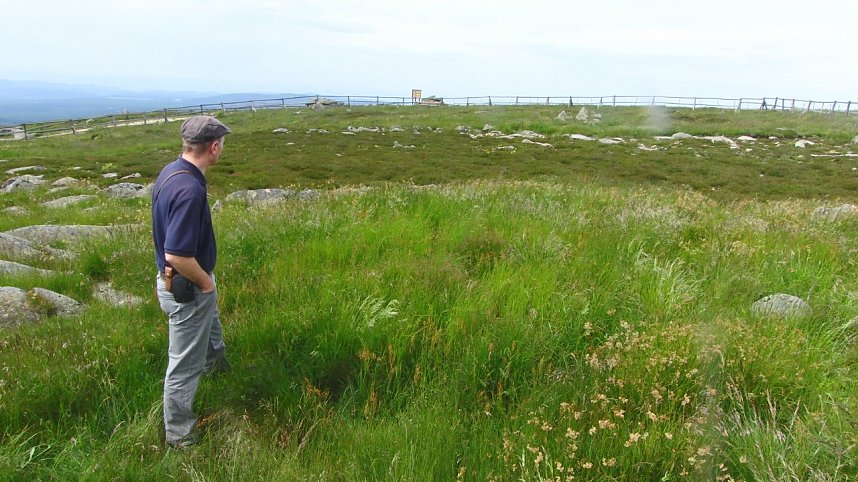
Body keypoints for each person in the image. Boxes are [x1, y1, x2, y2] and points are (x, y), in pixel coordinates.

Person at [152, 115, 231, 448]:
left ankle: (219, 372)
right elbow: (177, 254)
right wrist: (206, 283)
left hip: (181, 282)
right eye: (222, 143)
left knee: (211, 332)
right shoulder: (188, 190)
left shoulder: (173, 171)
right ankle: (180, 436)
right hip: (187, 285)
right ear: (213, 147)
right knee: (183, 367)